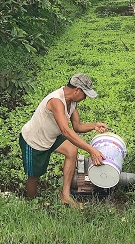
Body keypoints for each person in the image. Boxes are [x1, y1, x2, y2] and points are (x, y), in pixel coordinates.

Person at [19, 73, 108, 208]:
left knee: (71, 151)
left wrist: (94, 125)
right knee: (34, 177)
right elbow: (66, 131)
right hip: (34, 141)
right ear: (77, 90)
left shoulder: (72, 102)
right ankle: (31, 204)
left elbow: (77, 126)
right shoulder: (56, 101)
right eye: (85, 95)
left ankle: (65, 196)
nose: (84, 98)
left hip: (51, 136)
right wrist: (91, 150)